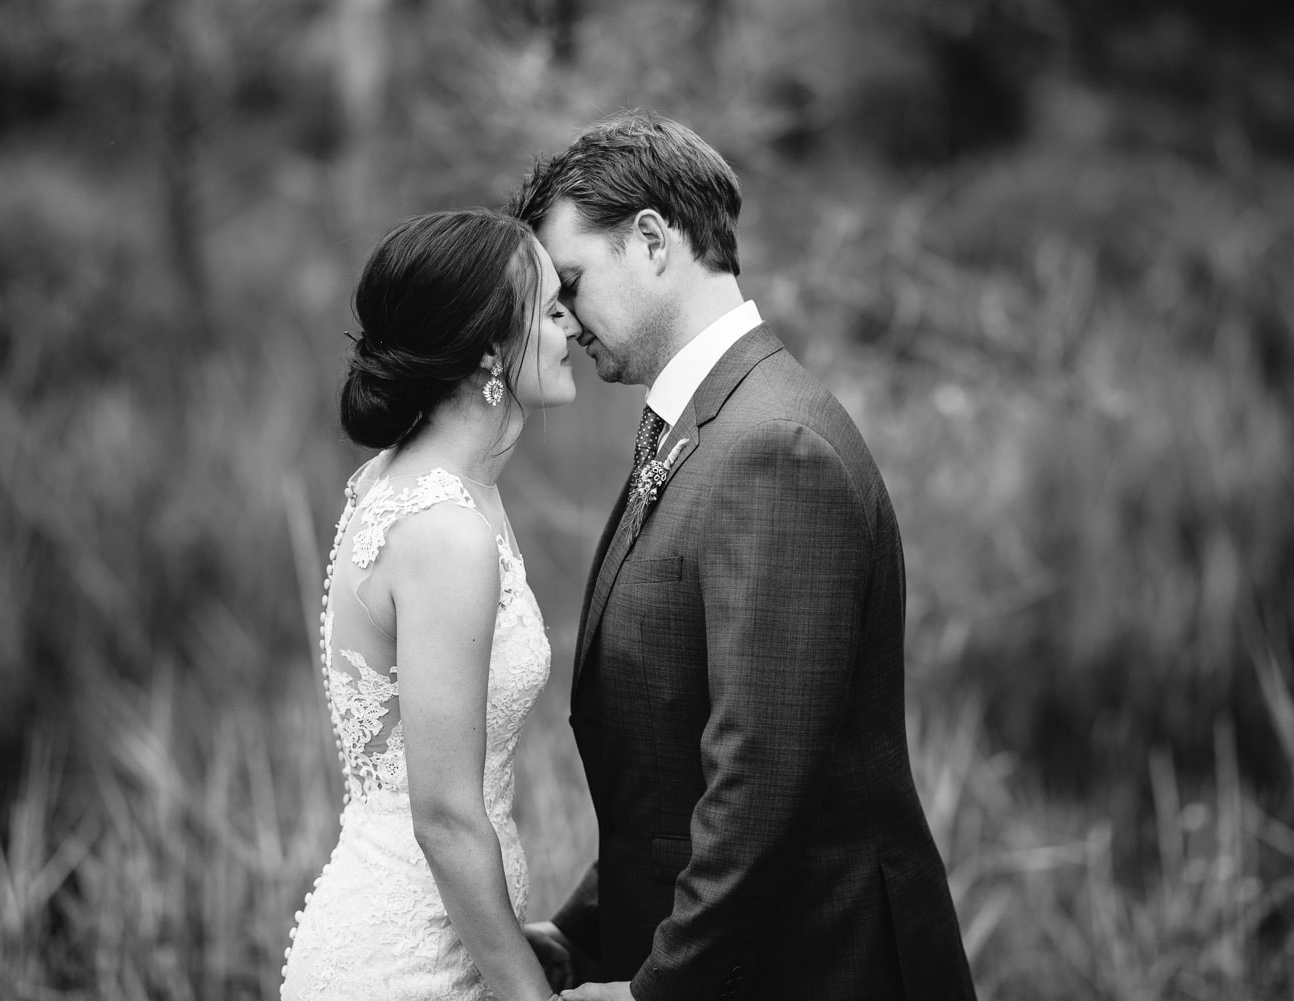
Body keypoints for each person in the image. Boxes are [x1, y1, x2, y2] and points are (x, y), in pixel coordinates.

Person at [507, 111, 977, 1001]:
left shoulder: (776, 447)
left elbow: (758, 788)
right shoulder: (701, 425)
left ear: (652, 240)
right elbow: (674, 780)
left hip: (826, 970)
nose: (561, 319)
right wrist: (581, 936)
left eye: (570, 281)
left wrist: (655, 994)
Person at [279, 208, 579, 1001]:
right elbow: (444, 812)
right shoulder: (445, 529)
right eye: (551, 311)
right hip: (403, 967)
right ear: (488, 346)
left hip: (447, 936)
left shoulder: (415, 479)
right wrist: (523, 986)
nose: (572, 326)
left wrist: (511, 935)